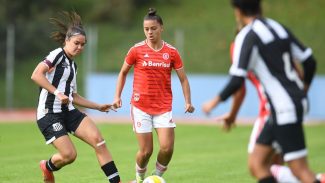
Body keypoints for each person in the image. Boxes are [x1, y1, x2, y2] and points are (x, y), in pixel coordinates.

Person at [202, 0, 324, 182]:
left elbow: (237, 79)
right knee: (257, 164)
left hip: (283, 108)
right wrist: (303, 90)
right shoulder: (278, 27)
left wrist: (215, 101)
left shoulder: (247, 35)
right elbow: (309, 62)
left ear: (237, 11)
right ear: (260, 7)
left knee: (299, 168)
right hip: (285, 106)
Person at [31, 11, 121, 183]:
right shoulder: (56, 54)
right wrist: (56, 92)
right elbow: (36, 75)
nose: (79, 47)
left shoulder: (73, 65)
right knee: (69, 155)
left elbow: (73, 96)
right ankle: (47, 166)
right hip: (49, 114)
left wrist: (98, 106)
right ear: (66, 41)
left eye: (83, 45)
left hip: (69, 111)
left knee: (99, 141)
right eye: (76, 43)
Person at [112, 8, 195, 183]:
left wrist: (188, 101)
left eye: (153, 28)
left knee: (167, 148)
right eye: (146, 29)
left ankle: (155, 178)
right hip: (141, 106)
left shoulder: (171, 52)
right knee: (146, 151)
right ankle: (139, 179)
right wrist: (117, 96)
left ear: (161, 28)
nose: (150, 32)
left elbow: (183, 79)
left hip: (163, 107)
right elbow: (123, 73)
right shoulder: (136, 50)